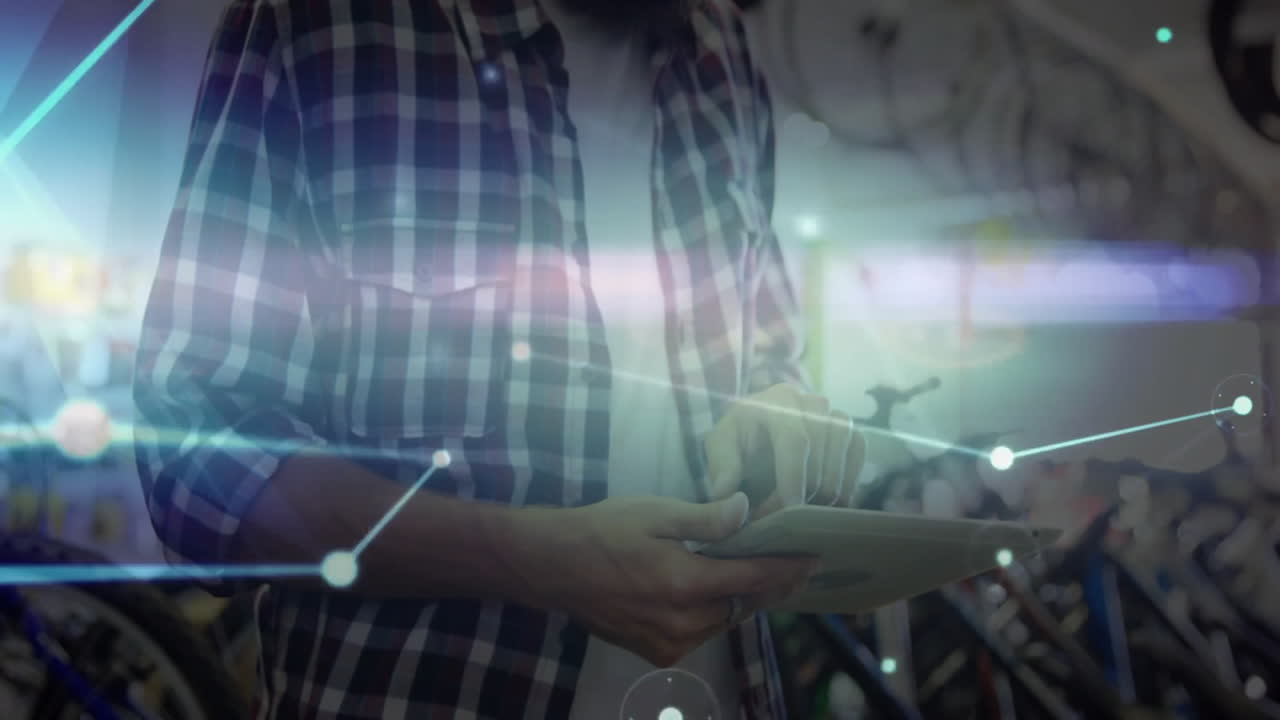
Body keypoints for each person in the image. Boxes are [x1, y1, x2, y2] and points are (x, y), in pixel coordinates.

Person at [133, 1, 865, 718]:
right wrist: (532, 559)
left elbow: (767, 347)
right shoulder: (321, 25)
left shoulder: (722, 50)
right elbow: (199, 457)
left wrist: (780, 408)